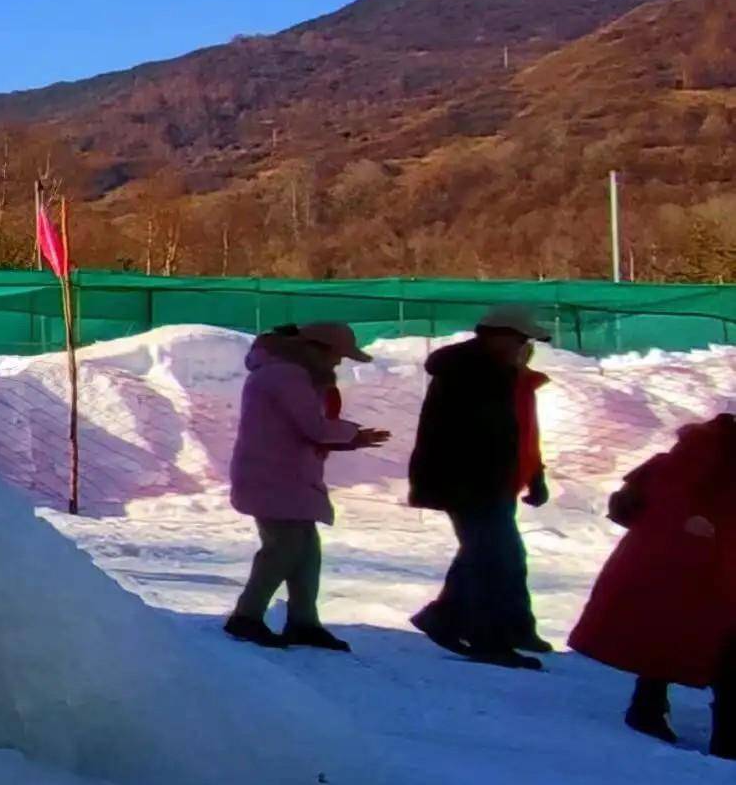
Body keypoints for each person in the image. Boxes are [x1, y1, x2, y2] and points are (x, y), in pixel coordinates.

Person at [569, 415, 736, 756]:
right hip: (704, 570)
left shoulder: (684, 456)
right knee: (723, 647)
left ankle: (648, 709)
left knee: (667, 635)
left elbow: (634, 501)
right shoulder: (718, 460)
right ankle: (727, 740)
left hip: (674, 567)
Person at [225, 322, 392, 649]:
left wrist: (350, 438)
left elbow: (300, 429)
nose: (338, 364)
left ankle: (303, 621)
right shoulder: (287, 375)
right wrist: (350, 434)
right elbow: (313, 426)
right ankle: (246, 616)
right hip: (274, 476)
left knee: (305, 552)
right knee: (283, 549)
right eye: (337, 356)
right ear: (316, 349)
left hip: (285, 476)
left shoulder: (283, 372)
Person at [407, 305, 555, 669]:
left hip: (490, 482)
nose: (526, 347)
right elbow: (473, 438)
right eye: (521, 339)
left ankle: (451, 618)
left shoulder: (501, 374)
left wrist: (533, 474)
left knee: (491, 555)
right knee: (493, 559)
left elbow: (519, 436)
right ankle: (488, 638)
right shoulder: (471, 374)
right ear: (497, 335)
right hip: (468, 483)